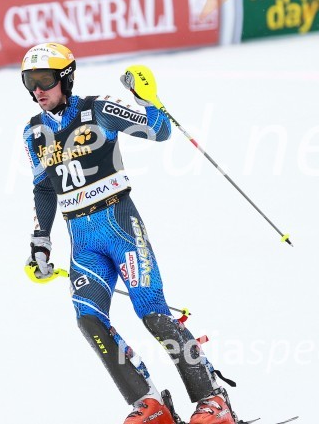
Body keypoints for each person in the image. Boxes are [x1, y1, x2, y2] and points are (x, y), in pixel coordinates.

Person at [21, 43, 237, 424]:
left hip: (120, 226)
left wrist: (148, 99)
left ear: (66, 78)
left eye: (44, 80)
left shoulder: (98, 109)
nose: (37, 89)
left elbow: (160, 131)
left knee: (152, 312)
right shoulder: (33, 132)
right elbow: (42, 188)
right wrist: (40, 241)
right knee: (88, 319)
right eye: (29, 82)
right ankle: (148, 404)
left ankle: (211, 399)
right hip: (82, 242)